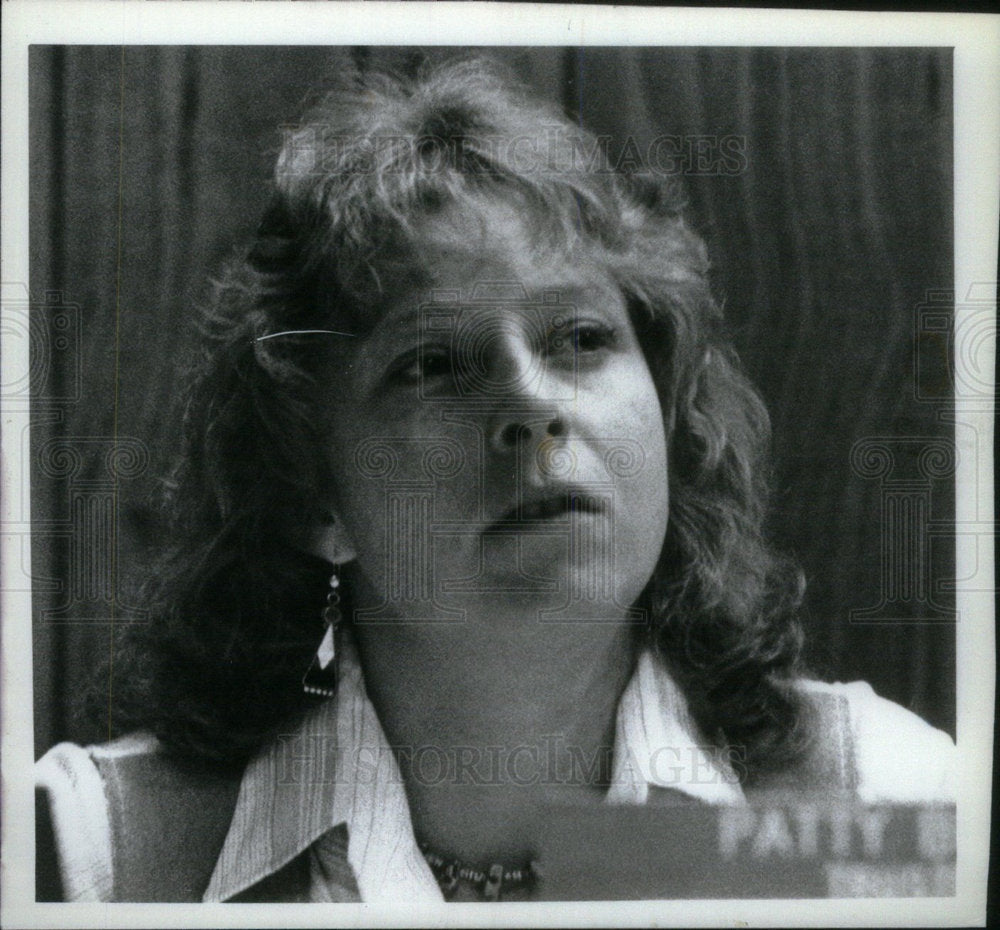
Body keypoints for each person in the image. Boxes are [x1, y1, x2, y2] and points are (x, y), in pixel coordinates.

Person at [35, 57, 955, 904]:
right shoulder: (96, 858)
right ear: (313, 493)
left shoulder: (888, 809)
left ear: (667, 421)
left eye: (582, 339)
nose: (530, 401)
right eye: (433, 363)